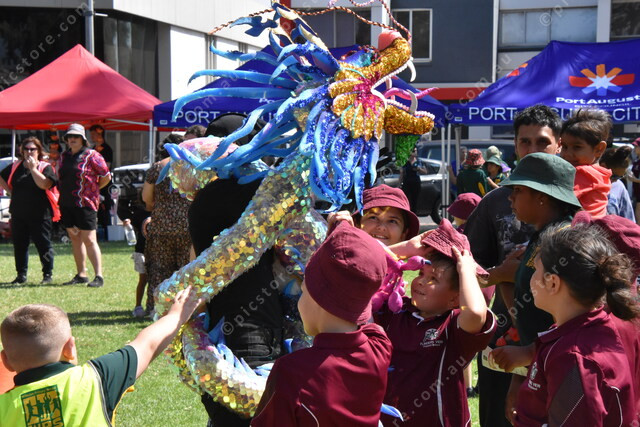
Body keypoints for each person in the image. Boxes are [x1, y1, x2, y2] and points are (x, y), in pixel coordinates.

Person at [463, 104, 562, 427]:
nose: (533, 150)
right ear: (515, 146)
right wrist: (499, 276)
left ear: (558, 144)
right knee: (499, 418)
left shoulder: (576, 201)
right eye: (525, 142)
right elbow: (468, 267)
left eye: (542, 142)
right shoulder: (496, 201)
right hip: (505, 334)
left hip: (562, 338)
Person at [188, 114, 282, 427]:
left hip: (221, 321)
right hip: (254, 326)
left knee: (227, 409)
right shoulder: (258, 190)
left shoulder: (204, 197)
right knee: (257, 411)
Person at [251, 222, 392, 426]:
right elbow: (360, 295)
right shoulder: (380, 347)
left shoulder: (291, 372)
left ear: (319, 298)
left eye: (303, 290)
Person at [0, 287, 202, 425]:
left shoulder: (3, 407)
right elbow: (147, 344)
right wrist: (176, 314)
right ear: (70, 347)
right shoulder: (96, 378)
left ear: (5, 361)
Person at [513, 224, 640, 425]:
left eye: (536, 269)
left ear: (552, 283)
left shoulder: (574, 357)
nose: (531, 278)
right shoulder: (578, 332)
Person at [374, 219, 495, 426]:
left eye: (434, 279)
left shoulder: (453, 327)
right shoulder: (395, 311)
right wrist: (405, 249)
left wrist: (466, 270)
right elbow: (359, 270)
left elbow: (475, 313)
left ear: (455, 299)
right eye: (421, 273)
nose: (421, 281)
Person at [492, 152, 583, 424]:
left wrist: (528, 355)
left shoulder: (560, 242)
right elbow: (527, 313)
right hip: (537, 365)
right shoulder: (541, 238)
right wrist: (506, 279)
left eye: (518, 190)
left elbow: (567, 322)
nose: (510, 197)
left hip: (559, 371)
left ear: (542, 197)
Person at [142, 134, 191, 315]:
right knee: (185, 270)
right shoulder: (193, 167)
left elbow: (146, 198)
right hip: (187, 226)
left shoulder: (157, 167)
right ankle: (183, 308)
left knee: (159, 269)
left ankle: (155, 309)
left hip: (161, 225)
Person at [58, 124, 111, 288]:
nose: (72, 139)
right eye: (69, 136)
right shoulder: (64, 156)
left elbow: (106, 176)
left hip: (86, 203)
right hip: (67, 202)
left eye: (76, 136)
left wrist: (93, 190)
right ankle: (81, 274)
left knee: (89, 239)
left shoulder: (92, 155)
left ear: (82, 139)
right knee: (75, 238)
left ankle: (99, 276)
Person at [0, 137, 58, 284]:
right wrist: (10, 191)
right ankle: (21, 275)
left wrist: (33, 169)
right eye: (26, 149)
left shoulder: (45, 167)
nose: (29, 152)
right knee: (20, 245)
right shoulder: (16, 166)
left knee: (43, 245)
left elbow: (45, 184)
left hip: (40, 214)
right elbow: (1, 177)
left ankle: (47, 274)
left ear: (38, 151)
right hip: (18, 212)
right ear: (22, 151)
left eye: (33, 149)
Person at [327, 184, 421, 247]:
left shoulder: (406, 269)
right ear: (356, 224)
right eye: (373, 217)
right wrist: (332, 241)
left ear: (403, 234)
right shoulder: (341, 262)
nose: (381, 227)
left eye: (392, 221)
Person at [559, 108, 612, 218]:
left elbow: (557, 199)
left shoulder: (582, 172)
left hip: (579, 227)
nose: (567, 154)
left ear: (599, 149)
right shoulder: (600, 173)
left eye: (577, 147)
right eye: (564, 146)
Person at [116, 192, 150, 318]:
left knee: (156, 279)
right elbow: (122, 209)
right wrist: (126, 221)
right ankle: (138, 306)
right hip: (141, 251)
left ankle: (152, 305)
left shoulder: (160, 211)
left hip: (157, 250)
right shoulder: (138, 213)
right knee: (143, 279)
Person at [89, 125, 114, 241]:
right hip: (93, 183)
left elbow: (106, 168)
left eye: (93, 134)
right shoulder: (93, 149)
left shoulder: (107, 149)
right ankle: (97, 233)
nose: (91, 137)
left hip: (104, 183)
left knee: (105, 207)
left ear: (100, 134)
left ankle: (107, 234)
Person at [600, 145, 635, 221]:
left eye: (620, 177)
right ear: (603, 167)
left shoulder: (619, 186)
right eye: (614, 177)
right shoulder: (586, 183)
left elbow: (629, 222)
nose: (616, 181)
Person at [399, 148, 428, 213]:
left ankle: (414, 214)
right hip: (407, 183)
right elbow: (402, 173)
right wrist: (399, 184)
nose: (415, 152)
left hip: (416, 183)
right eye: (413, 151)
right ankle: (406, 214)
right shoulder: (405, 162)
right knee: (406, 200)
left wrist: (419, 169)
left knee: (415, 201)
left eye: (416, 151)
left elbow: (425, 172)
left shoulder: (419, 161)